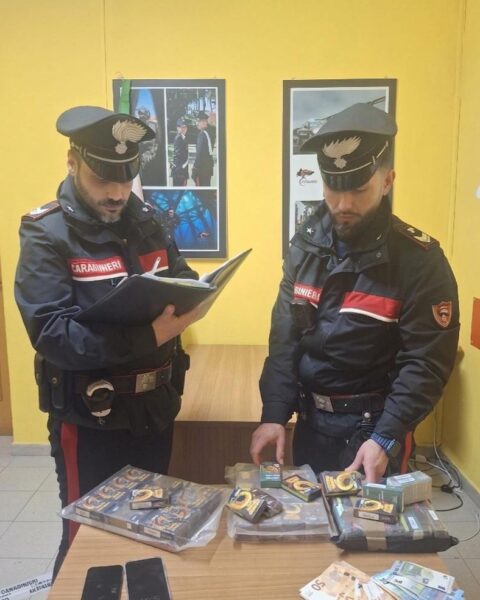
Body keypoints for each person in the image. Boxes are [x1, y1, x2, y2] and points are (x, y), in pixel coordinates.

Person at [15, 106, 206, 576]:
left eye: (125, 179)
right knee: (87, 544)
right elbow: (53, 335)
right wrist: (151, 334)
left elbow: (182, 277)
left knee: (149, 530)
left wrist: (197, 294)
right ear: (72, 162)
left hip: (154, 409)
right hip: (90, 418)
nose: (117, 193)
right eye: (103, 180)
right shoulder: (47, 232)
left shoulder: (148, 221)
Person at [250, 102, 460, 483]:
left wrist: (386, 436)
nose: (344, 204)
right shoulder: (305, 246)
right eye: (333, 188)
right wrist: (274, 414)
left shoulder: (418, 261)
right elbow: (285, 339)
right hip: (311, 425)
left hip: (374, 432)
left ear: (387, 181)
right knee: (310, 516)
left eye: (359, 190)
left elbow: (426, 362)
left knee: (367, 521)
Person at [192, 111, 214, 186]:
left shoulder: (201, 135)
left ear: (204, 122)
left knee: (201, 190)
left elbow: (199, 153)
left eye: (198, 122)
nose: (197, 124)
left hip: (202, 170)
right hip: (208, 168)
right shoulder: (207, 133)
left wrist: (195, 168)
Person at [171, 118, 189, 186]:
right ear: (177, 128)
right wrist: (180, 169)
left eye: (185, 127)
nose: (183, 129)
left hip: (182, 170)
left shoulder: (183, 137)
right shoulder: (178, 138)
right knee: (179, 189)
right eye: (181, 127)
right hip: (179, 171)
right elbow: (177, 155)